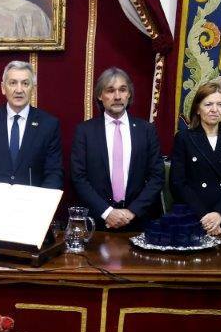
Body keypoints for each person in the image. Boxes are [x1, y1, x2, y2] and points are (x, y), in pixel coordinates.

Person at [70, 67, 163, 231]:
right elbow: (79, 178)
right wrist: (107, 213)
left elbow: (157, 177)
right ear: (100, 95)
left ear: (129, 94)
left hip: (138, 223)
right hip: (98, 223)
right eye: (110, 90)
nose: (117, 96)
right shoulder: (85, 132)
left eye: (122, 90)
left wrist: (132, 212)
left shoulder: (146, 130)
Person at [0, 60, 62, 189]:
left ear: (33, 88)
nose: (19, 89)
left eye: (25, 83)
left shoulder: (48, 124)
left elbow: (54, 173)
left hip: (32, 204)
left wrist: (39, 203)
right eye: (13, 83)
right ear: (3, 88)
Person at [170, 81, 221, 235]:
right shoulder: (184, 138)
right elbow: (178, 183)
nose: (214, 110)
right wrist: (205, 217)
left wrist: (219, 214)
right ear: (198, 108)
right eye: (208, 104)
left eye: (220, 104)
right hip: (193, 218)